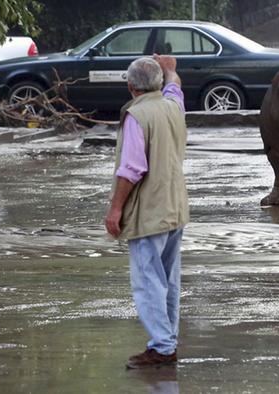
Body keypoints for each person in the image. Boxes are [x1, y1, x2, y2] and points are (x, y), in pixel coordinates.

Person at [105, 54, 189, 369]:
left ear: (130, 86)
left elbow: (131, 170)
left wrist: (115, 209)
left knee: (148, 281)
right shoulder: (173, 106)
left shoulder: (136, 116)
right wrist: (170, 70)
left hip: (149, 212)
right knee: (167, 279)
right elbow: (175, 87)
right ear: (158, 84)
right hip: (175, 207)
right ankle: (165, 342)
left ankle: (163, 348)